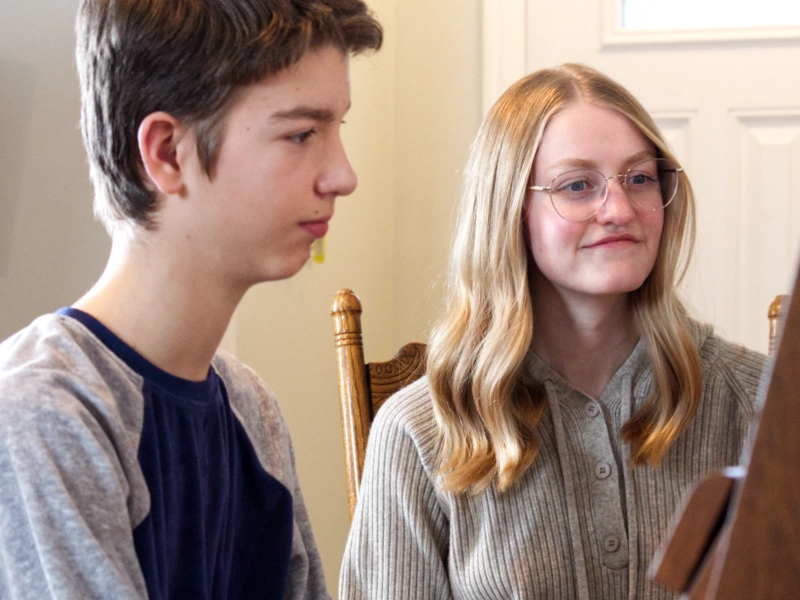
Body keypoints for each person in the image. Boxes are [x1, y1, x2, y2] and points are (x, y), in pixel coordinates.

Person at [339, 64, 766, 599]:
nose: (618, 209)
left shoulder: (758, 400)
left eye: (639, 178)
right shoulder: (418, 433)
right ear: (509, 212)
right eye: (577, 185)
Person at [0, 1, 381, 598]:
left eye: (338, 130)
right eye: (301, 134)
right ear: (167, 153)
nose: (342, 174)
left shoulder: (251, 409)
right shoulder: (44, 413)